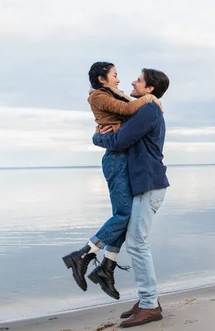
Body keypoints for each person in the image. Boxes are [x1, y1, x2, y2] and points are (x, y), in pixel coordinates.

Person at [62, 62, 162, 301]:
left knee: (124, 216)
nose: (122, 80)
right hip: (116, 160)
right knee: (123, 215)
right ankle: (85, 255)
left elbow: (127, 111)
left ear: (149, 87)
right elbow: (127, 114)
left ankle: (105, 265)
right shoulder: (99, 96)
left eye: (133, 79)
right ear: (101, 79)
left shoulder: (114, 95)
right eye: (115, 75)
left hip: (123, 161)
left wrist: (149, 100)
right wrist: (150, 99)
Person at [93, 68, 170, 328]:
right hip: (144, 184)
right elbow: (120, 130)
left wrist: (98, 137)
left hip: (149, 184)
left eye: (139, 80)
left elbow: (120, 141)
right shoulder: (144, 109)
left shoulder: (148, 110)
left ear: (150, 89)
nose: (132, 82)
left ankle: (149, 305)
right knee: (136, 241)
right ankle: (147, 299)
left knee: (137, 243)